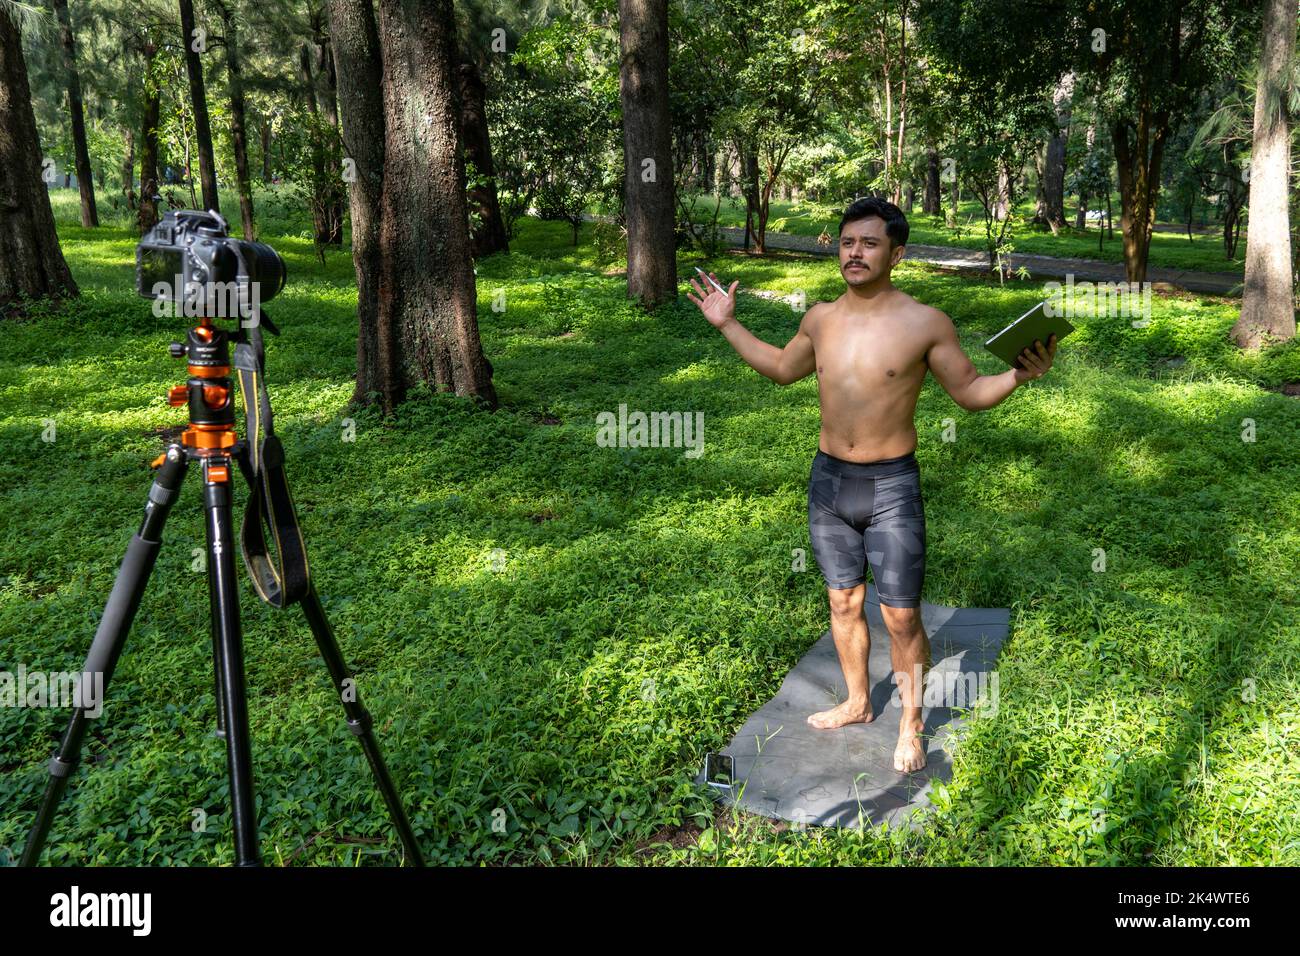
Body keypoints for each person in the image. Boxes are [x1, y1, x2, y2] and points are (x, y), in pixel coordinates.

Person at [687, 196, 1057, 772]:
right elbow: (784, 370)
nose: (855, 253)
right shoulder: (820, 318)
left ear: (896, 252)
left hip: (891, 487)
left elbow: (970, 394)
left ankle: (910, 725)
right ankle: (859, 703)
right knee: (842, 600)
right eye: (847, 242)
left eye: (870, 243)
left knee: (902, 615)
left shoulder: (925, 322)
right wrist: (729, 324)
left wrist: (1016, 374)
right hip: (829, 482)